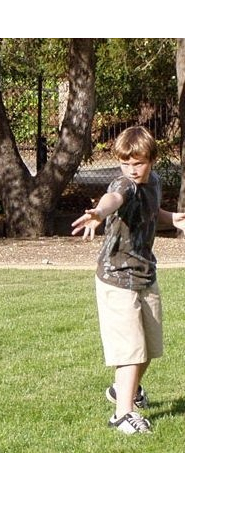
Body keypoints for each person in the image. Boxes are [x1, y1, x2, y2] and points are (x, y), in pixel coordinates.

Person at [71, 126, 185, 434]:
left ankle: (123, 390)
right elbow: (114, 198)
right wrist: (99, 212)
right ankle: (122, 414)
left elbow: (151, 210)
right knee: (131, 350)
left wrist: (172, 218)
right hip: (116, 278)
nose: (132, 170)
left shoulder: (155, 182)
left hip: (145, 273)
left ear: (152, 160)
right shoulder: (125, 184)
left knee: (149, 347)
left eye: (139, 163)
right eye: (125, 163)